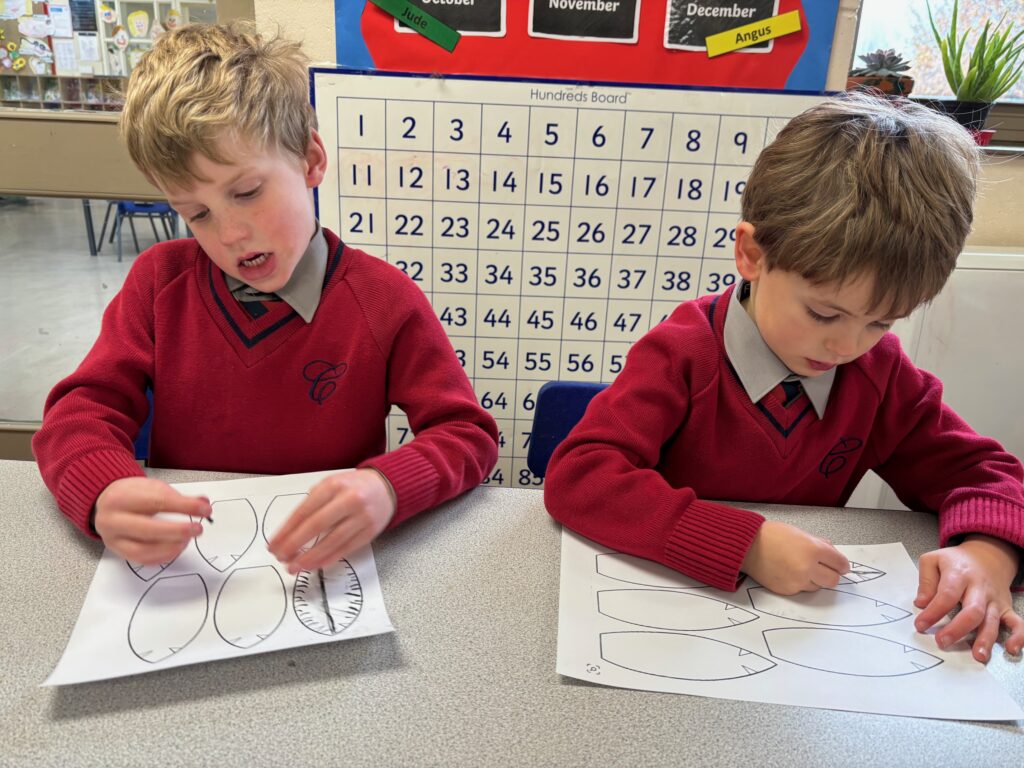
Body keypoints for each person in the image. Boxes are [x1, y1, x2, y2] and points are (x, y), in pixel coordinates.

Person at [544, 92, 1024, 663]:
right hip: (671, 624)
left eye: (882, 321)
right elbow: (581, 476)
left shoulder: (879, 374)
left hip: (801, 642)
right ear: (751, 254)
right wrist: (745, 543)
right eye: (824, 314)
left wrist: (989, 552)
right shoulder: (681, 356)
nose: (847, 346)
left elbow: (987, 474)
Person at [33, 22, 498, 576]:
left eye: (247, 193)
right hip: (190, 569)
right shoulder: (159, 284)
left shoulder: (384, 301)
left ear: (310, 161)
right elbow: (79, 412)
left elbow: (467, 434)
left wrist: (388, 486)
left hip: (322, 566)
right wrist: (102, 488)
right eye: (196, 214)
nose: (230, 235)